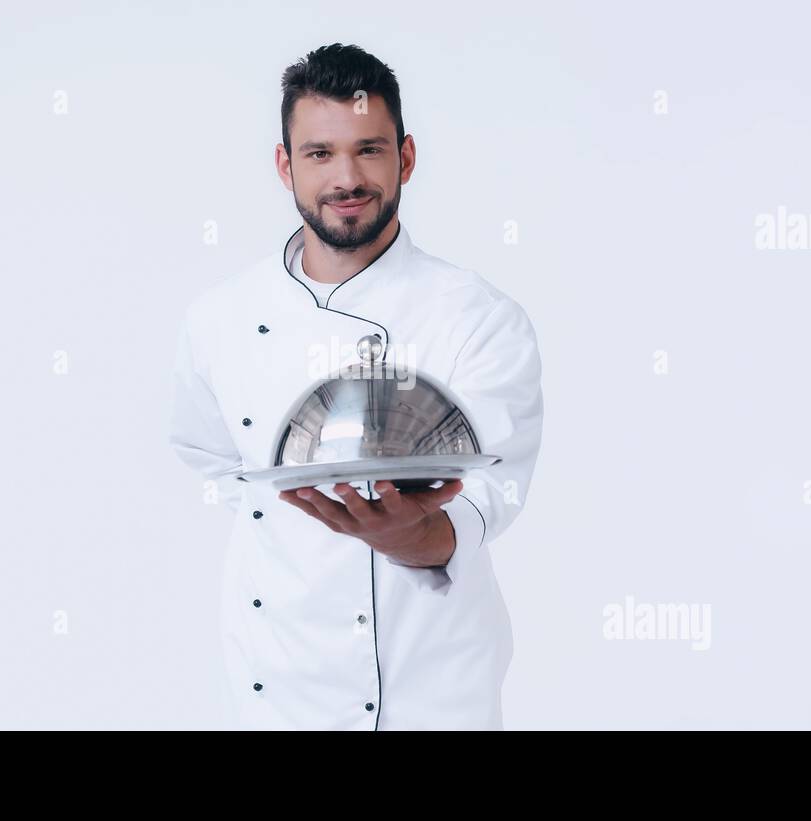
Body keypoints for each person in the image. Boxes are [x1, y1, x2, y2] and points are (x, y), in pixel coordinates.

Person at [169, 43, 544, 729]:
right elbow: (212, 457)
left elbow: (492, 491)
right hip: (273, 684)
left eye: (368, 150)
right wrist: (294, 529)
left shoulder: (475, 316)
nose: (346, 177)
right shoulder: (219, 318)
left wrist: (411, 535)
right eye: (319, 154)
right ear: (284, 165)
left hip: (426, 692)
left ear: (405, 157)